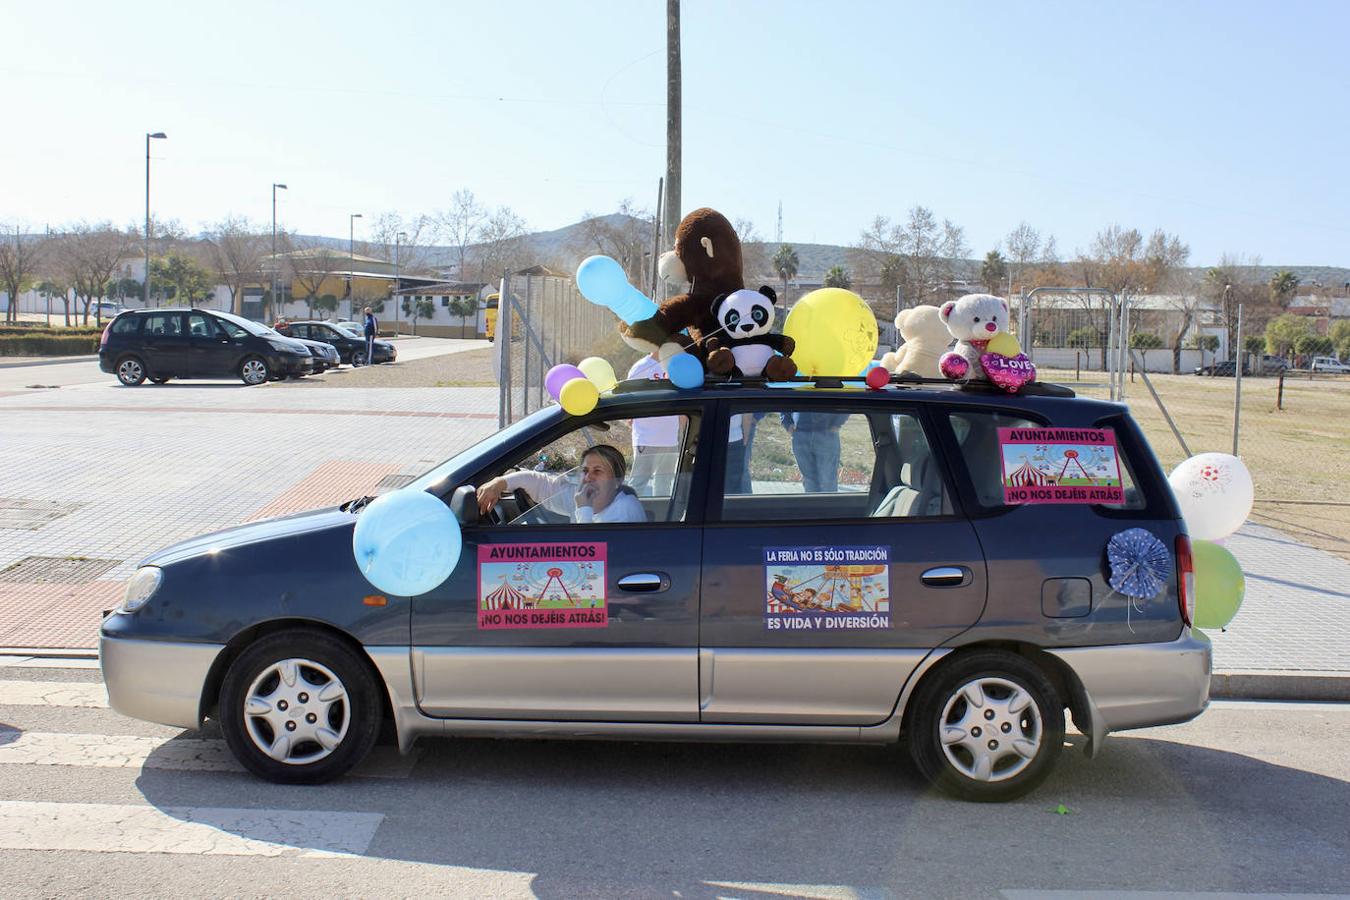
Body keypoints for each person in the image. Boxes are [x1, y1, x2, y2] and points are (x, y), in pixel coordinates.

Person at [476, 444, 646, 524]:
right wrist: (499, 483)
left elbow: (591, 556)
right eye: (585, 470)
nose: (588, 477)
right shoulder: (580, 495)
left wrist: (583, 509)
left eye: (598, 471)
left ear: (617, 481)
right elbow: (539, 483)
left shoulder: (626, 508)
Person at [626, 353, 681, 496]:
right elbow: (628, 398)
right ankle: (631, 515)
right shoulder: (641, 367)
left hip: (670, 438)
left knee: (664, 485)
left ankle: (662, 517)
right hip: (647, 437)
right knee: (638, 484)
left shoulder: (676, 365)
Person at [782, 411, 850, 492]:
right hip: (801, 433)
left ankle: (829, 504)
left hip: (827, 433)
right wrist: (787, 422)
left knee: (828, 481)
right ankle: (813, 504)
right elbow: (784, 400)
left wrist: (838, 423)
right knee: (809, 481)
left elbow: (848, 400)